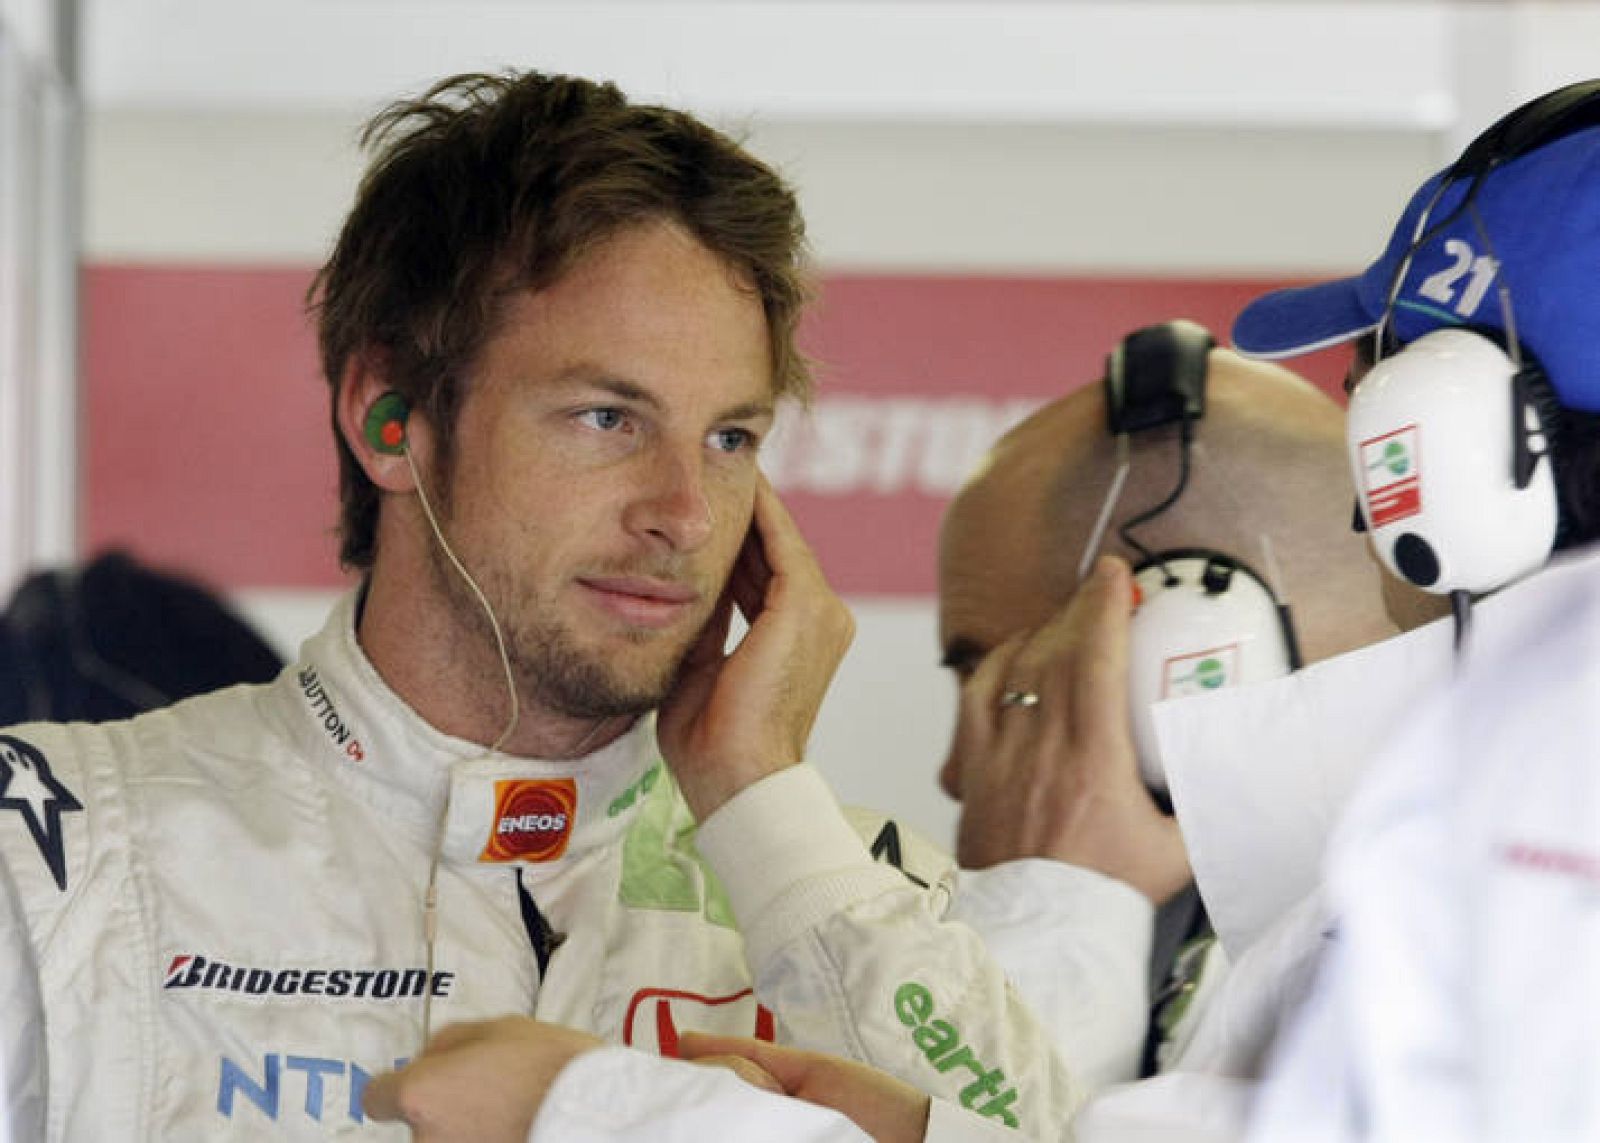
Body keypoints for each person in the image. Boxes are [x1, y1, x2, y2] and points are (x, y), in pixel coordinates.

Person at [0, 69, 1082, 1139]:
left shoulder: (853, 897)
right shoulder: (59, 858)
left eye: (729, 440)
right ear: (391, 417)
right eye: (608, 418)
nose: (687, 515)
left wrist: (763, 804)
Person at [357, 336, 1400, 1141]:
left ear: (1187, 654)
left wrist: (1060, 905)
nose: (952, 766)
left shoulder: (1414, 978)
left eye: (989, 675)